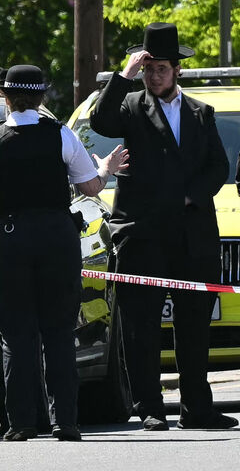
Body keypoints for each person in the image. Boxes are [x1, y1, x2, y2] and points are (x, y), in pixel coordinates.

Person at [0, 64, 128, 441]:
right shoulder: (60, 134)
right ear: (42, 97)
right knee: (59, 333)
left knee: (15, 335)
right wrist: (107, 167)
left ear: (5, 98)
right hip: (57, 238)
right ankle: (66, 421)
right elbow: (91, 186)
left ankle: (21, 423)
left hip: (9, 239)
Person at [89, 22, 238, 431]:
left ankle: (197, 407)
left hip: (192, 237)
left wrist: (191, 196)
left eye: (161, 69)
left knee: (193, 328)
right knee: (141, 328)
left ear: (177, 71)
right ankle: (150, 408)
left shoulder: (200, 112)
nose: (154, 75)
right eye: (148, 68)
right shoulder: (131, 106)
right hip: (143, 235)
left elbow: (217, 167)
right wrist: (124, 76)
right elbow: (100, 122)